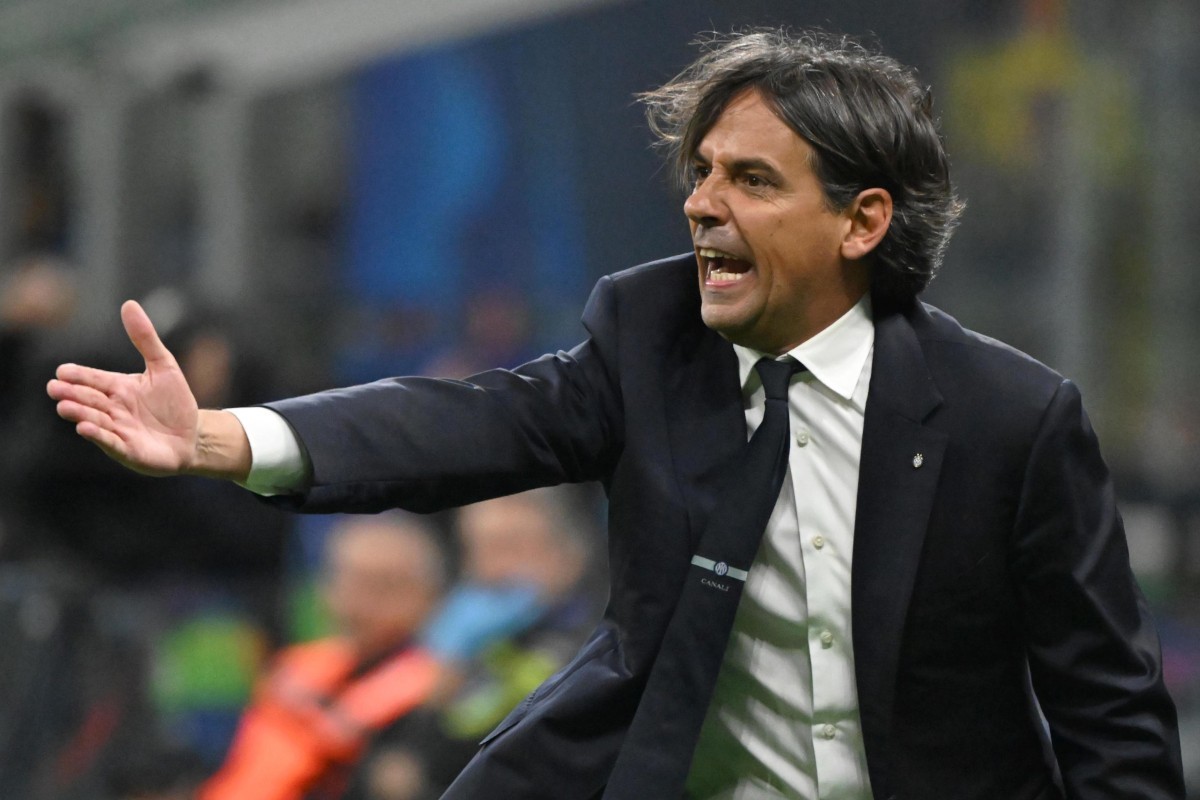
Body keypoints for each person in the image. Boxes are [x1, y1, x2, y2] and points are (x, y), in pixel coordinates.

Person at [47, 28, 1183, 800]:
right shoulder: (648, 333)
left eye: (751, 180)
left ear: (863, 221)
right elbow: (470, 423)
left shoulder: (1014, 418)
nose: (702, 203)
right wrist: (220, 436)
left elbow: (1109, 707)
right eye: (702, 172)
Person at [198, 513, 447, 800]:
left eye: (383, 586)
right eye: (349, 581)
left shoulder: (438, 694)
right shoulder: (295, 668)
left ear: (429, 597)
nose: (360, 604)